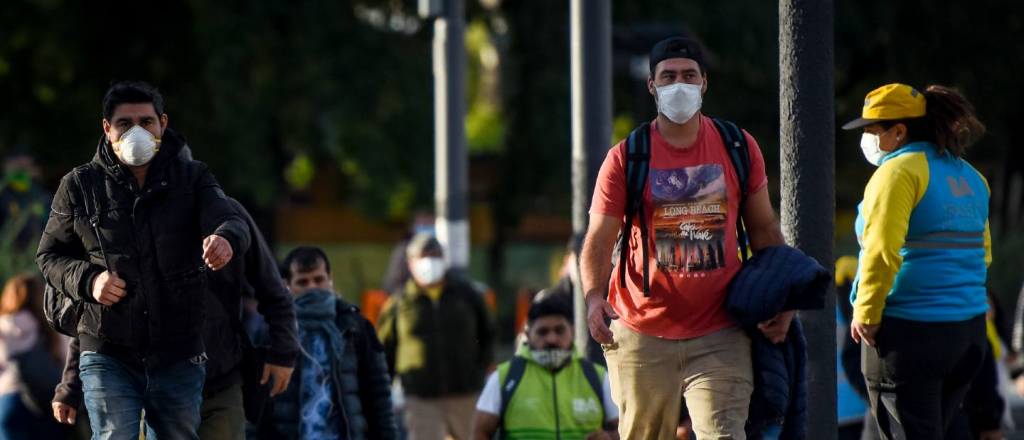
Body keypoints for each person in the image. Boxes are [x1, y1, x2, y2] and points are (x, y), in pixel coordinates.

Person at [581, 37, 789, 439]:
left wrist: (783, 297)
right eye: (669, 76)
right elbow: (599, 237)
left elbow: (764, 229)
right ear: (652, 86)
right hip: (641, 330)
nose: (680, 84)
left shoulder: (737, 146)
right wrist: (592, 296)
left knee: (725, 433)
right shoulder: (627, 156)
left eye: (689, 75)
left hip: (720, 329)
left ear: (704, 83)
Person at [36, 80, 250, 439]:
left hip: (178, 351)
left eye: (146, 121)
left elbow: (229, 219)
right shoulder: (78, 185)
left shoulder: (193, 177)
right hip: (107, 350)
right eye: (124, 123)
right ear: (107, 128)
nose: (136, 131)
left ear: (162, 124)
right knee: (113, 434)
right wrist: (90, 281)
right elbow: (49, 256)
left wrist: (225, 238)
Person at [52, 191, 301, 440]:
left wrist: (283, 352)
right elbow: (98, 319)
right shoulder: (128, 222)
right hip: (158, 389)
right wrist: (71, 385)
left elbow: (273, 290)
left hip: (219, 383)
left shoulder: (227, 214)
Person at [843, 83, 991, 439]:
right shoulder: (970, 176)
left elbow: (881, 252)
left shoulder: (897, 173)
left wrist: (866, 313)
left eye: (871, 130)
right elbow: (983, 254)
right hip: (967, 334)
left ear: (898, 131)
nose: (866, 137)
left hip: (910, 334)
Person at [254, 246, 396, 440]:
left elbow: (379, 393)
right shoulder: (273, 333)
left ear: (330, 278)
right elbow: (256, 398)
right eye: (302, 282)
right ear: (287, 285)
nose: (312, 287)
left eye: (318, 279)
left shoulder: (355, 327)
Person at [377, 232, 497, 440]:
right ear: (410, 263)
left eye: (434, 255)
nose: (429, 262)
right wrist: (383, 390)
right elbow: (385, 349)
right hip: (420, 399)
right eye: (423, 257)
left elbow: (488, 333)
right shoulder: (399, 303)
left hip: (465, 394)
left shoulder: (467, 295)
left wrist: (479, 370)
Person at [472, 296, 618, 440]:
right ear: (528, 335)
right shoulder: (504, 377)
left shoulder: (597, 377)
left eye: (559, 330)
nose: (551, 339)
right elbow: (479, 433)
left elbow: (625, 430)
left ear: (572, 332)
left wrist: (609, 437)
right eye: (542, 332)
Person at [0, 274, 69, 440]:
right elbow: (68, 364)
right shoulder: (53, 327)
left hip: (11, 399)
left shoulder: (3, 325)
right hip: (49, 403)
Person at [0, 149, 52, 250]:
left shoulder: (41, 195)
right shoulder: (3, 192)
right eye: (17, 166)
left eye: (25, 167)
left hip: (34, 255)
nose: (21, 171)